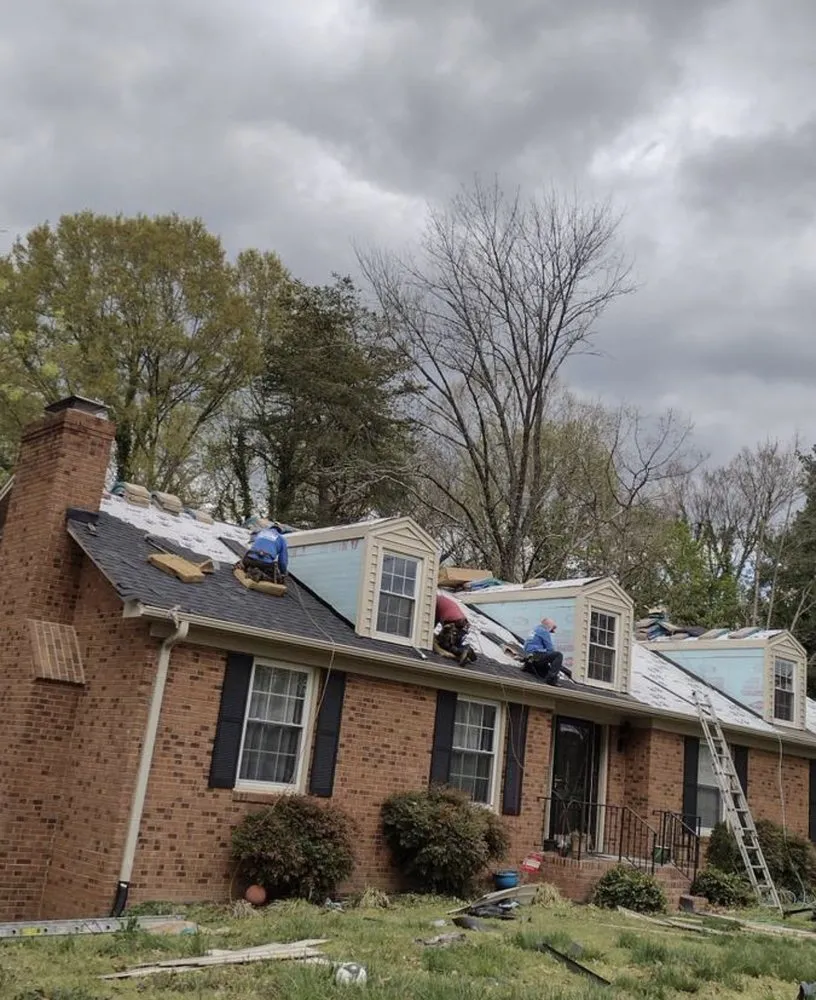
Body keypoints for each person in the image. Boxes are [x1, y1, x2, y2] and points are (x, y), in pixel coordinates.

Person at [522, 617, 572, 685]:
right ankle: (551, 679)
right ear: (549, 626)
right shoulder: (544, 631)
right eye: (552, 628)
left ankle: (529, 667)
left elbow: (527, 646)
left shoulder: (535, 629)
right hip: (536, 656)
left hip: (530, 657)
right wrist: (555, 663)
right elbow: (550, 649)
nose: (552, 631)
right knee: (558, 655)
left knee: (545, 673)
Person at [434, 593, 477, 665]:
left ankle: (465, 650)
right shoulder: (441, 599)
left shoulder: (433, 601)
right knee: (454, 644)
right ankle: (468, 652)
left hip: (453, 622)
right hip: (463, 623)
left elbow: (431, 624)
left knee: (444, 644)